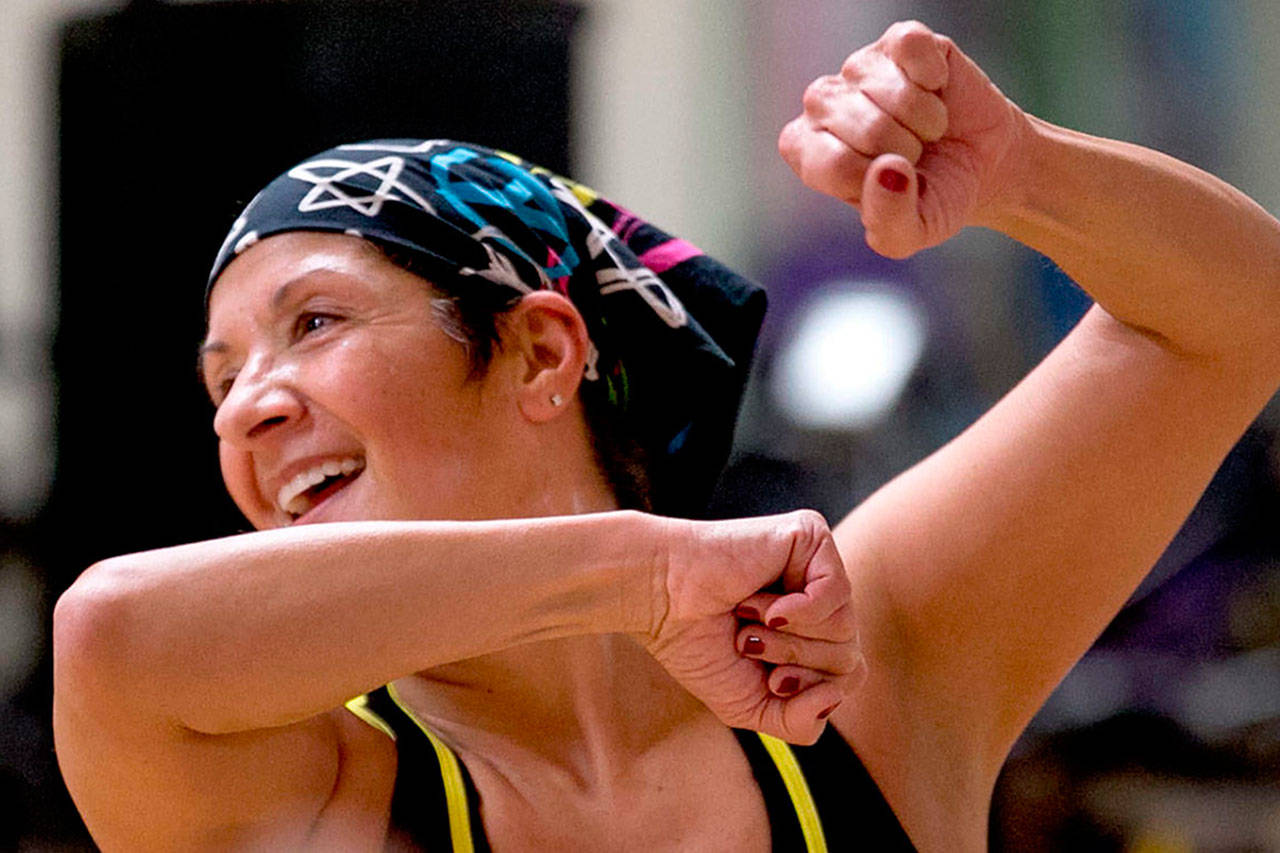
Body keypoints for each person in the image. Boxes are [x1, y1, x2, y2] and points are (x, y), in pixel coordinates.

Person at [52, 20, 1280, 852]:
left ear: (541, 351)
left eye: (311, 323)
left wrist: (1017, 169)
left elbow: (1230, 313)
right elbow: (114, 636)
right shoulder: (306, 778)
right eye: (221, 377)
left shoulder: (854, 677)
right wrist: (639, 576)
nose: (246, 406)